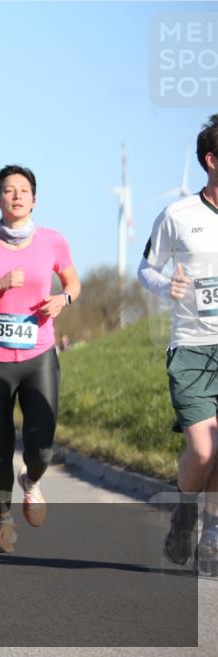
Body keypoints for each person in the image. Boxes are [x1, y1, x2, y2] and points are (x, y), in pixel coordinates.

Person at [0, 164, 80, 553]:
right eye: (8, 190)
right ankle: (4, 524)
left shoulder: (53, 240)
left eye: (24, 190)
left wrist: (65, 298)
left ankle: (32, 481)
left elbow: (73, 281)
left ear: (34, 199)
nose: (16, 195)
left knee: (41, 445)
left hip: (39, 353)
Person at [137, 114, 218, 574]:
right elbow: (145, 268)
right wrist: (168, 287)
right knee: (204, 450)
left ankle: (212, 535)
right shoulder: (177, 215)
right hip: (191, 346)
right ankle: (187, 512)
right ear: (211, 160)